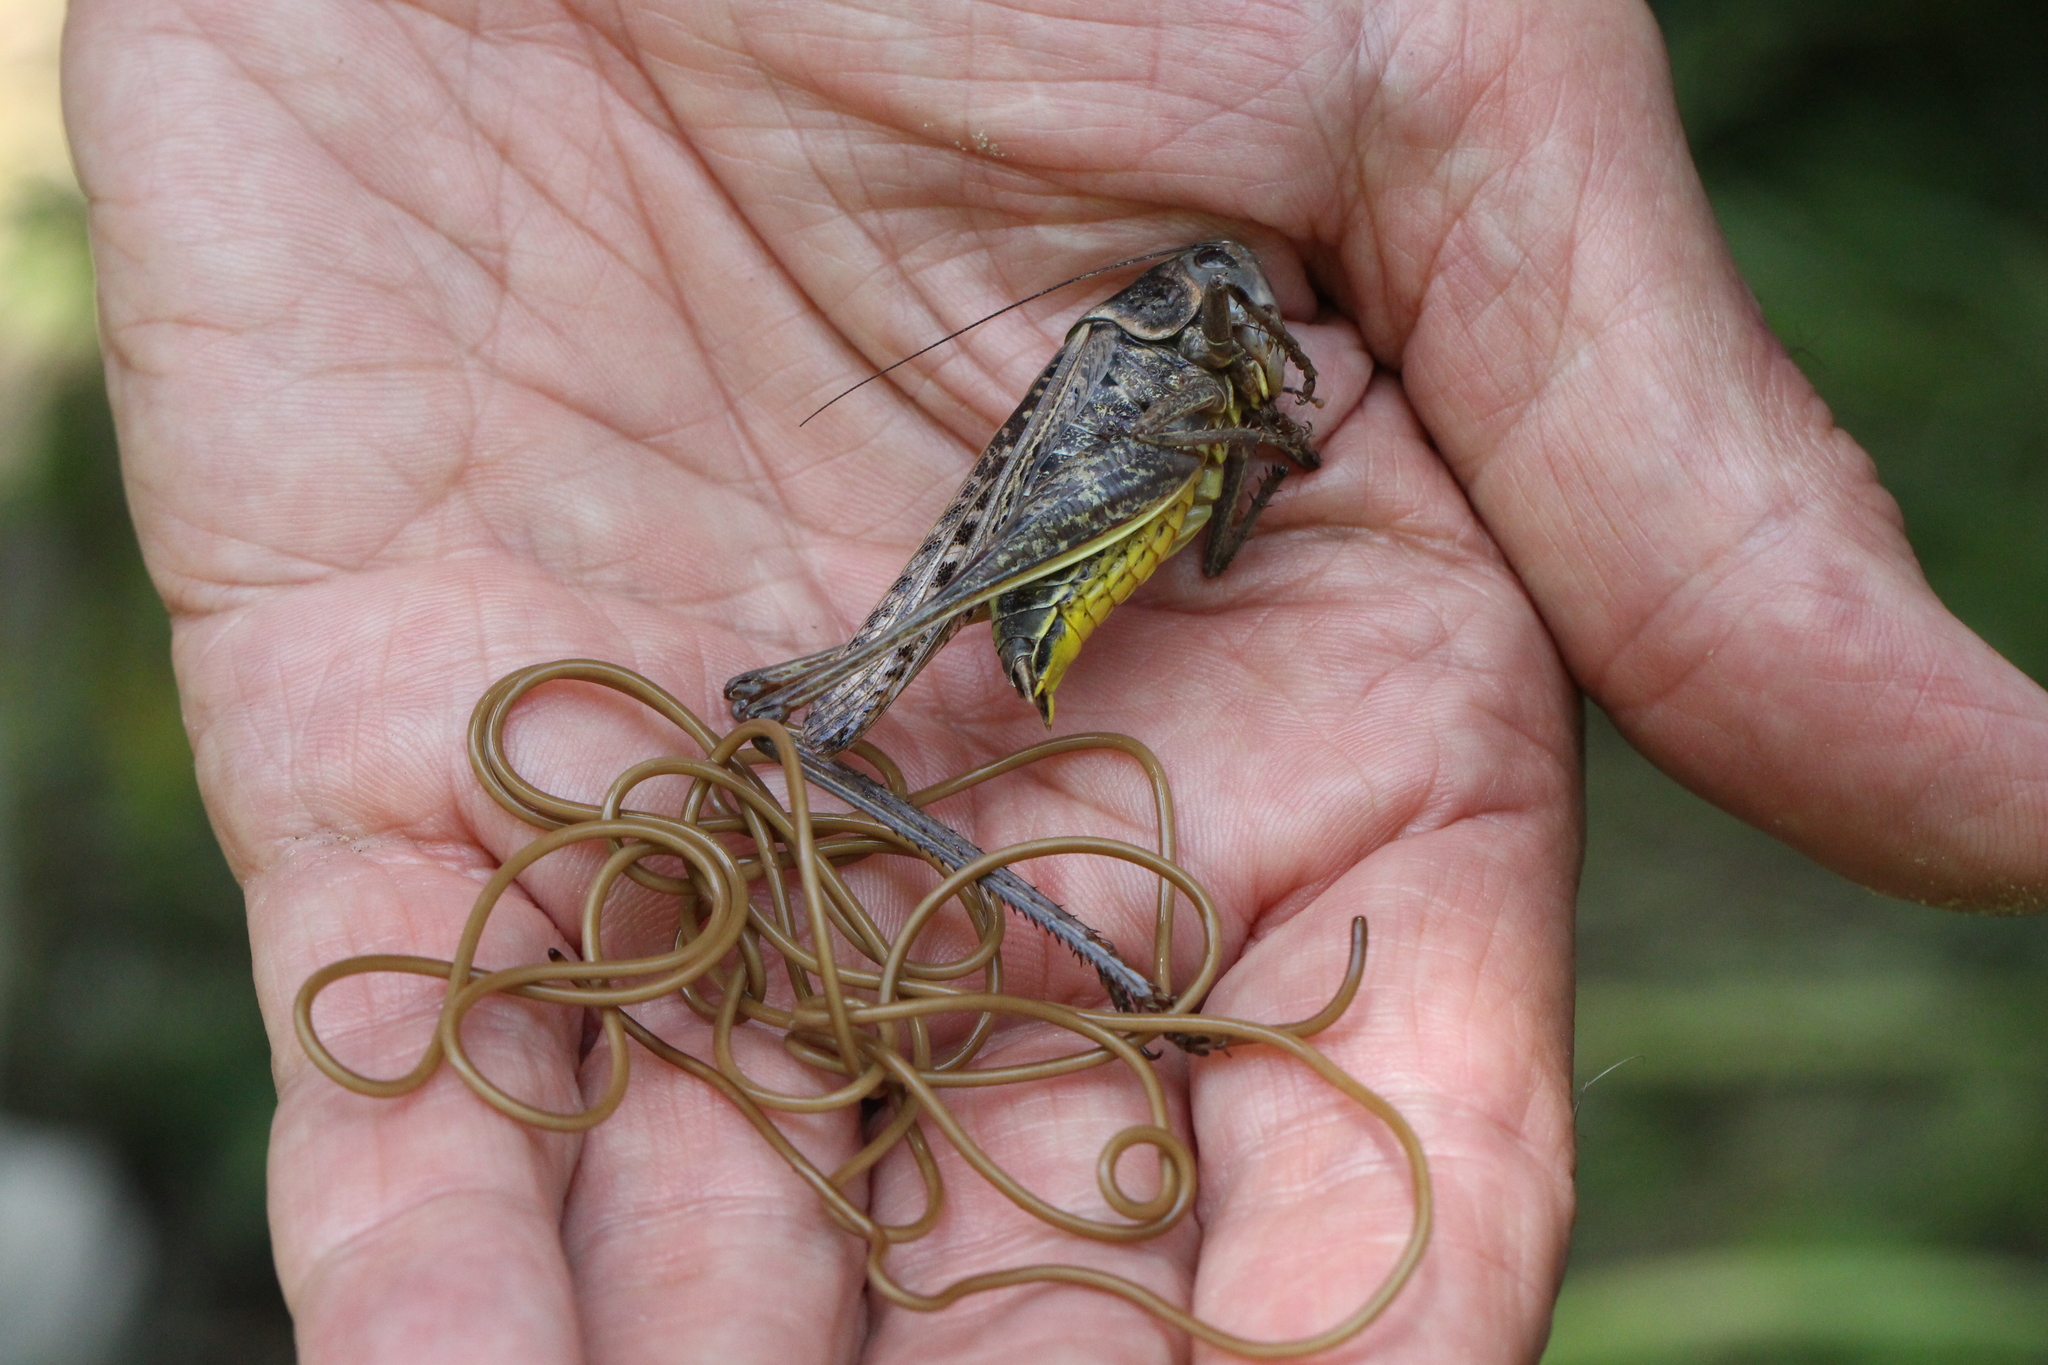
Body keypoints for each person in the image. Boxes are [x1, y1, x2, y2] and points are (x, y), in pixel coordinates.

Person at [64, 1, 2048, 1361]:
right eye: (1214, 308)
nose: (1237, 315)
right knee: (871, 702)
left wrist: (1248, 427)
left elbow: (1232, 498)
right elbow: (1211, 478)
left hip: (1113, 513)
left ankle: (885, 808)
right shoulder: (1167, 365)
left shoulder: (1209, 350)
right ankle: (890, 808)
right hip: (1020, 553)